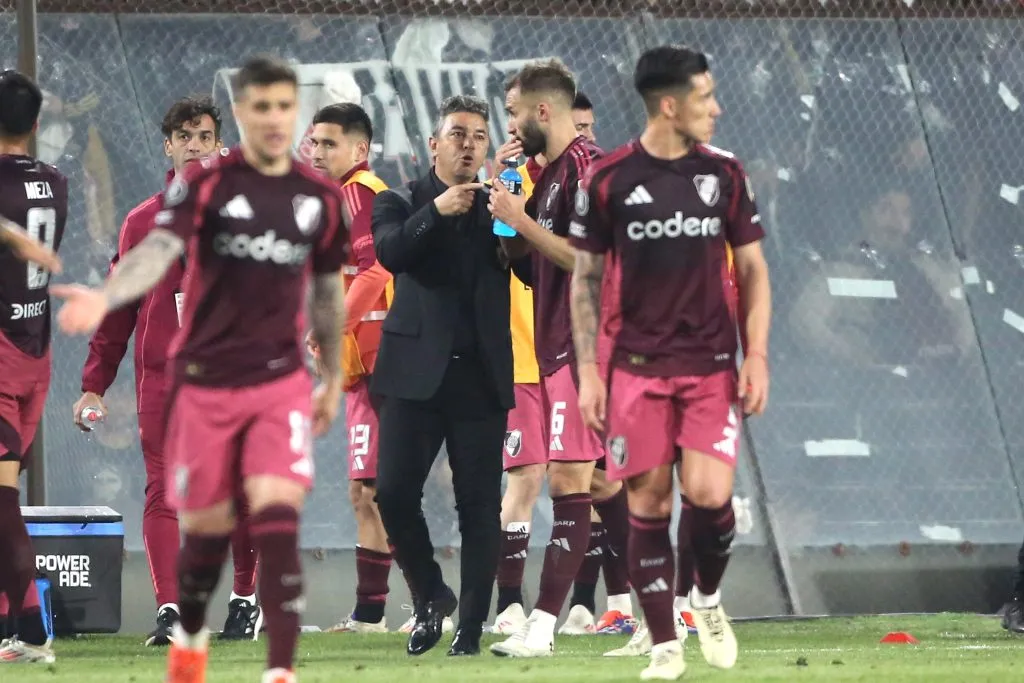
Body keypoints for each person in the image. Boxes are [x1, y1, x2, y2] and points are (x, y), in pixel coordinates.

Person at [52, 55, 350, 683]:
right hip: (189, 380)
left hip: (273, 376)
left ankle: (270, 649)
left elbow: (327, 290)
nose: (271, 117)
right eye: (259, 106)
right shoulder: (191, 198)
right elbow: (151, 258)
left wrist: (329, 375)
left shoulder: (317, 196)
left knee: (271, 504)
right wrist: (104, 308)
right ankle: (182, 621)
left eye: (282, 106)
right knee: (194, 506)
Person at [568, 45, 772, 680]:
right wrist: (590, 372)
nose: (717, 108)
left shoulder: (725, 174)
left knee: (710, 499)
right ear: (668, 105)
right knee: (649, 505)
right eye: (705, 97)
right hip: (636, 370)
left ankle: (705, 599)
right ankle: (664, 645)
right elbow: (585, 280)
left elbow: (754, 269)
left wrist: (757, 355)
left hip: (710, 366)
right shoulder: (609, 179)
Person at [73, 95, 262, 647]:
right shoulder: (140, 222)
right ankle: (170, 612)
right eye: (185, 137)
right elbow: (118, 309)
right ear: (168, 147)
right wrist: (93, 385)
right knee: (164, 489)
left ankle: (245, 602)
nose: (195, 147)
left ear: (219, 144)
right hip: (163, 379)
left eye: (204, 137)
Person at [486, 59, 632, 657]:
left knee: (569, 478)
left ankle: (542, 626)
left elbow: (589, 259)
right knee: (601, 481)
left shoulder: (588, 168)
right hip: (556, 344)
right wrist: (508, 218)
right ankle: (650, 613)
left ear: (543, 110)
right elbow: (528, 264)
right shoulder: (545, 175)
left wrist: (520, 219)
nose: (511, 125)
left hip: (586, 344)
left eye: (515, 112)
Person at [370, 94, 513, 658]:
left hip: (480, 376)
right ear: (433, 144)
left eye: (478, 136)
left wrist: (516, 214)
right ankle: (431, 594)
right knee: (392, 494)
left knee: (479, 506)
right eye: (457, 134)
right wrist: (436, 211)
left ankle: (471, 628)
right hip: (412, 375)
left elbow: (529, 267)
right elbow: (391, 254)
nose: (467, 145)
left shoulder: (501, 206)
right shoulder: (399, 200)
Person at [303, 102, 431, 635]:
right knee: (365, 492)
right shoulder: (335, 197)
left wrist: (332, 327)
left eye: (329, 143)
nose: (317, 152)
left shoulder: (360, 193)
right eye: (314, 142)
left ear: (360, 149)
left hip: (385, 363)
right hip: (362, 366)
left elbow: (376, 268)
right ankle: (371, 614)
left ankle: (427, 601)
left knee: (385, 492)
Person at [0, 69, 67, 665]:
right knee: (3, 499)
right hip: (35, 354)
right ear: (36, 123)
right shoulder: (55, 182)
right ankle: (13, 630)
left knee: (1, 503)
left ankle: (31, 633)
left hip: (0, 353)